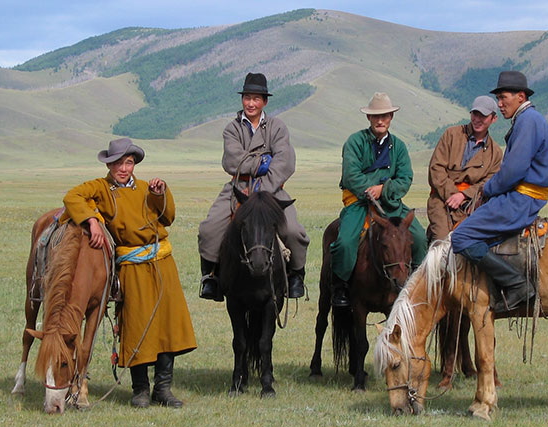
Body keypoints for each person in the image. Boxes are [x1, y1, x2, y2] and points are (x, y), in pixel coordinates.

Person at [61, 138, 197, 408]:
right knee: (137, 325)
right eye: (118, 163)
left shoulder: (147, 187)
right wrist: (93, 219)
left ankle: (163, 389)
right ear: (108, 164)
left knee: (167, 323)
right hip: (132, 266)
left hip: (162, 261)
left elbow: (167, 217)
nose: (123, 168)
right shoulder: (100, 188)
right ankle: (141, 390)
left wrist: (161, 193)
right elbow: (71, 197)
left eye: (129, 162)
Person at [451, 71, 548, 311]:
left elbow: (513, 170)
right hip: (523, 196)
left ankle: (517, 285)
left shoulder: (528, 121)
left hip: (522, 199)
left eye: (504, 98)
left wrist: (487, 189)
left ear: (521, 96)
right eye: (498, 99)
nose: (499, 104)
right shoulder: (528, 119)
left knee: (460, 237)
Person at [198, 72, 309, 301]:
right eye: (247, 97)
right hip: (239, 188)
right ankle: (211, 276)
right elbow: (232, 160)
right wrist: (262, 161)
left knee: (293, 231)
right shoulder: (232, 129)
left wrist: (262, 186)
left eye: (256, 98)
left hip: (272, 190)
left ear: (264, 102)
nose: (251, 103)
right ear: (242, 100)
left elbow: (284, 162)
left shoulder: (277, 127)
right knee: (209, 228)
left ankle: (296, 275)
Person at [329, 92, 427, 307]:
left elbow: (405, 178)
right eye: (376, 116)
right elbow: (350, 175)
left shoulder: (399, 147)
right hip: (359, 203)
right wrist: (369, 189)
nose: (380, 120)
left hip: (391, 203)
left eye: (385, 116)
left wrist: (384, 189)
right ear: (369, 118)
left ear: (391, 117)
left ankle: (416, 284)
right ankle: (341, 286)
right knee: (345, 242)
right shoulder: (354, 142)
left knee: (419, 237)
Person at [427, 95, 503, 242]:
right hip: (441, 200)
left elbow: (489, 182)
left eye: (483, 116)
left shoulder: (496, 153)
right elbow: (436, 168)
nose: (477, 119)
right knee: (442, 242)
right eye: (475, 114)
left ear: (494, 119)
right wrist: (452, 194)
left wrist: (463, 195)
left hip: (472, 205)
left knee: (475, 243)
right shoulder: (451, 135)